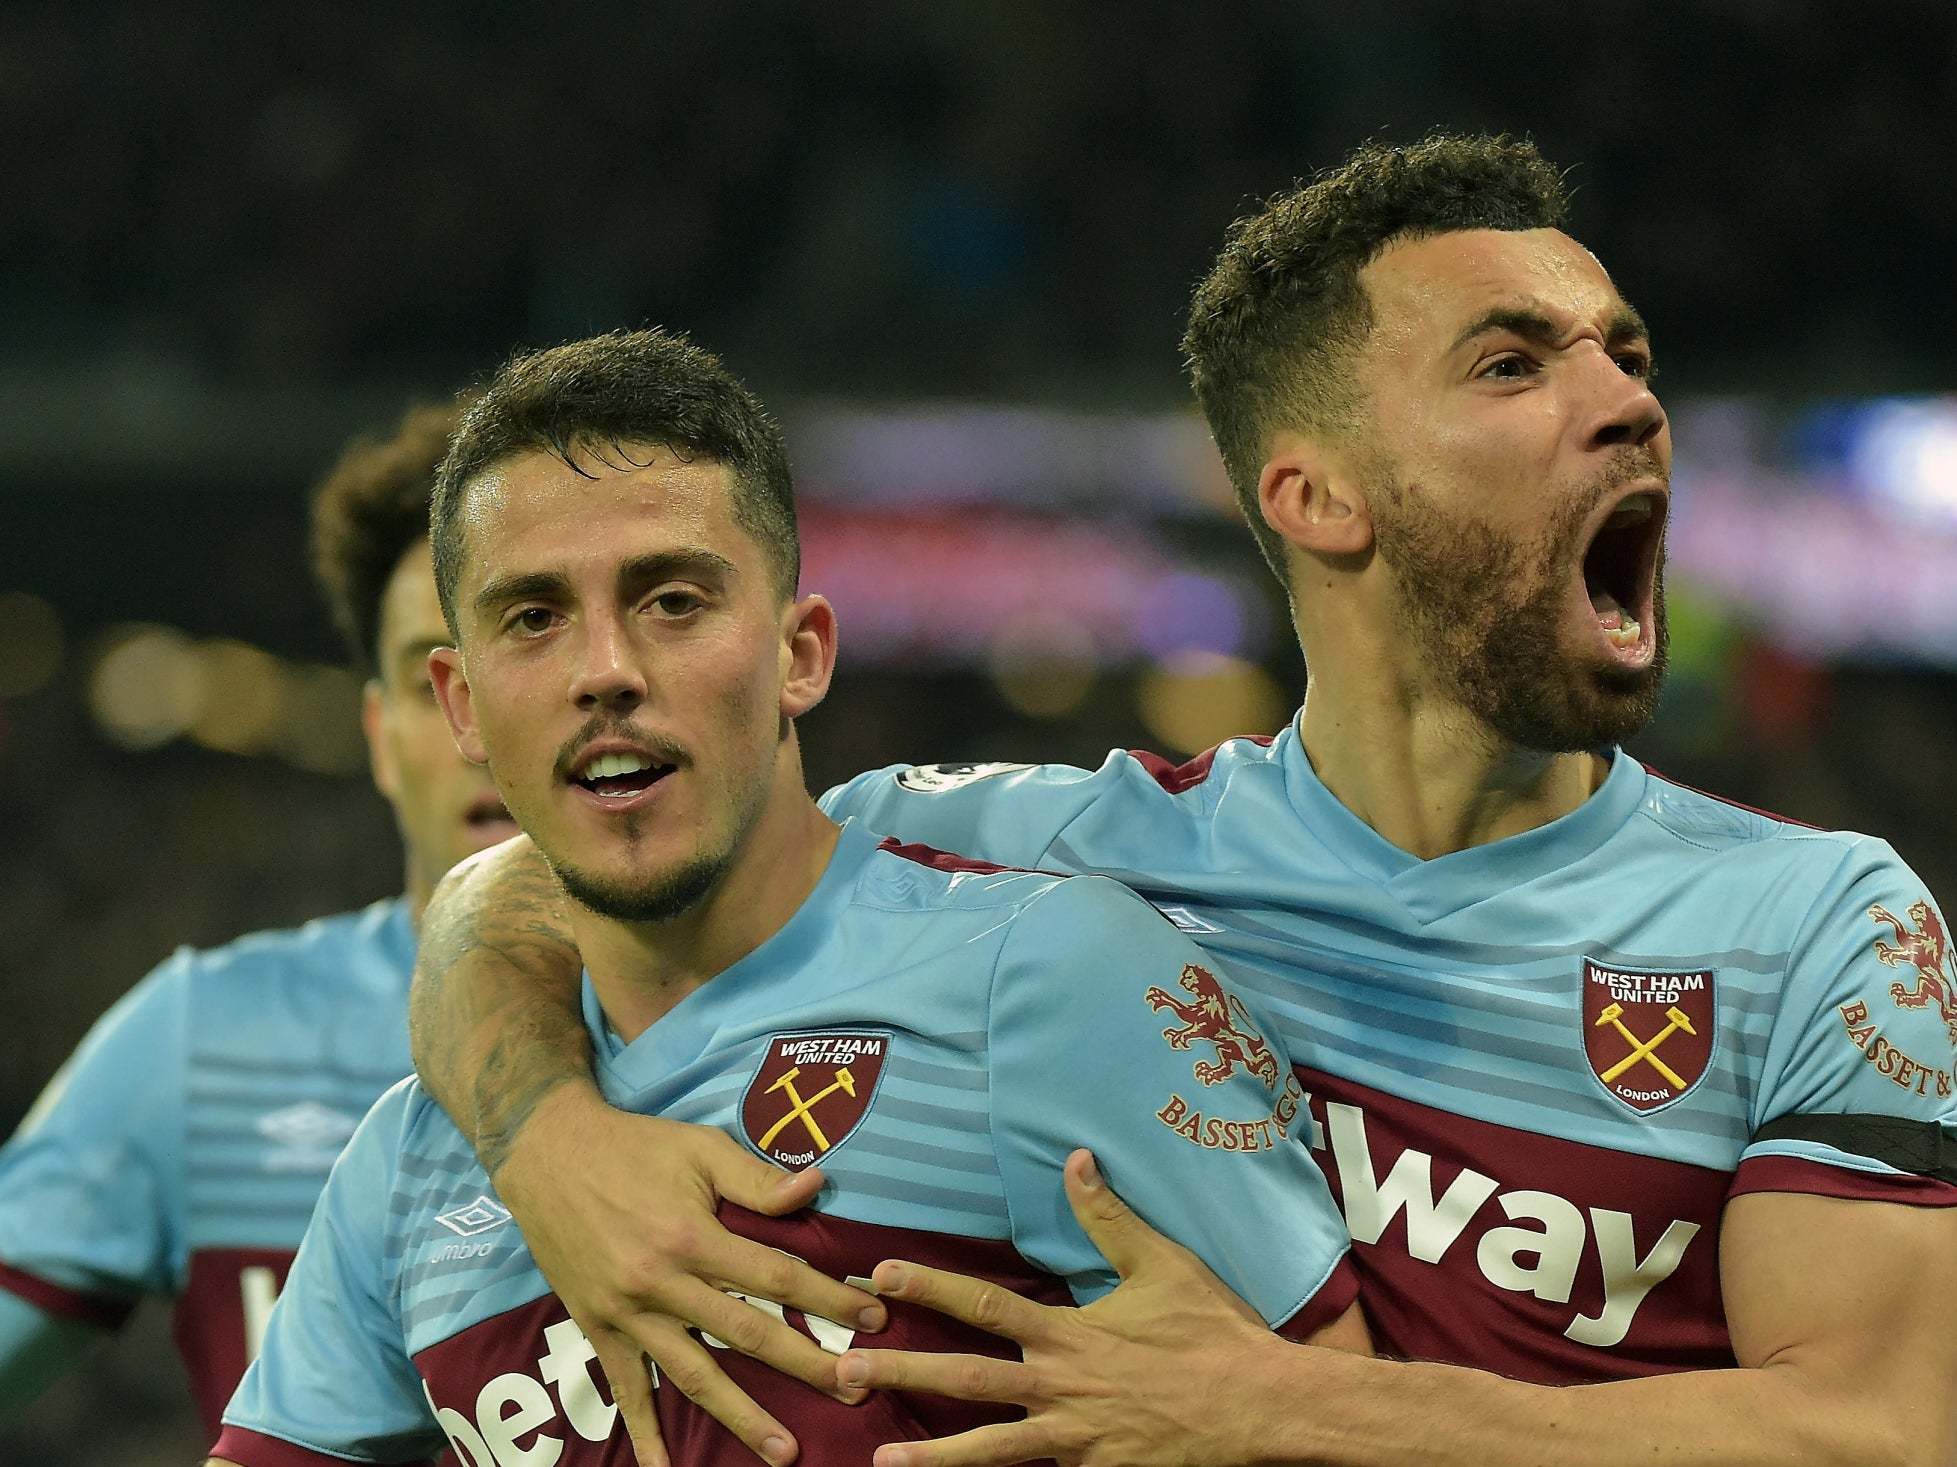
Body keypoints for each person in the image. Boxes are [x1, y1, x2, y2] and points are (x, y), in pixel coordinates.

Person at [400, 135, 1957, 1467]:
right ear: (1314, 494)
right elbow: (527, 885)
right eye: (1512, 362)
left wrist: (1303, 1408)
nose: (1626, 402)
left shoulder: (1823, 923)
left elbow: (1888, 1428)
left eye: (1627, 354)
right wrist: (551, 1142)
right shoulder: (1040, 861)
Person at [204, 328, 1365, 1467]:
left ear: (800, 654)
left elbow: (1338, 1419)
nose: (604, 669)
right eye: (534, 617)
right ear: (460, 706)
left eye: (671, 600)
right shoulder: (412, 1158)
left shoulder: (1054, 977)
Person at [0, 401, 521, 1437]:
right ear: (377, 736)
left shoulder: (792, 1028)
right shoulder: (211, 1038)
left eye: (521, 654)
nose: (478, 732)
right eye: (433, 682)